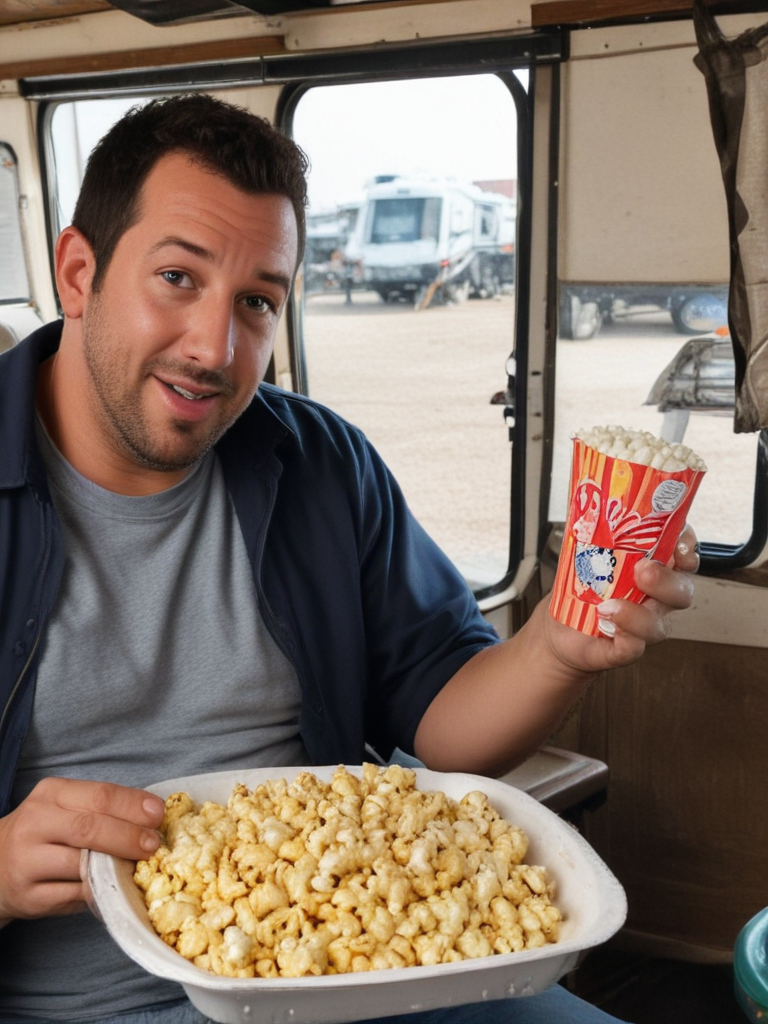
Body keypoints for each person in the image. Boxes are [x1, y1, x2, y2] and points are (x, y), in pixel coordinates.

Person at [0, 93, 697, 1024]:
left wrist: (559, 647)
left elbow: (443, 719)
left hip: (355, 977)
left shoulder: (323, 464)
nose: (215, 347)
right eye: (177, 277)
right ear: (79, 273)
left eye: (258, 302)